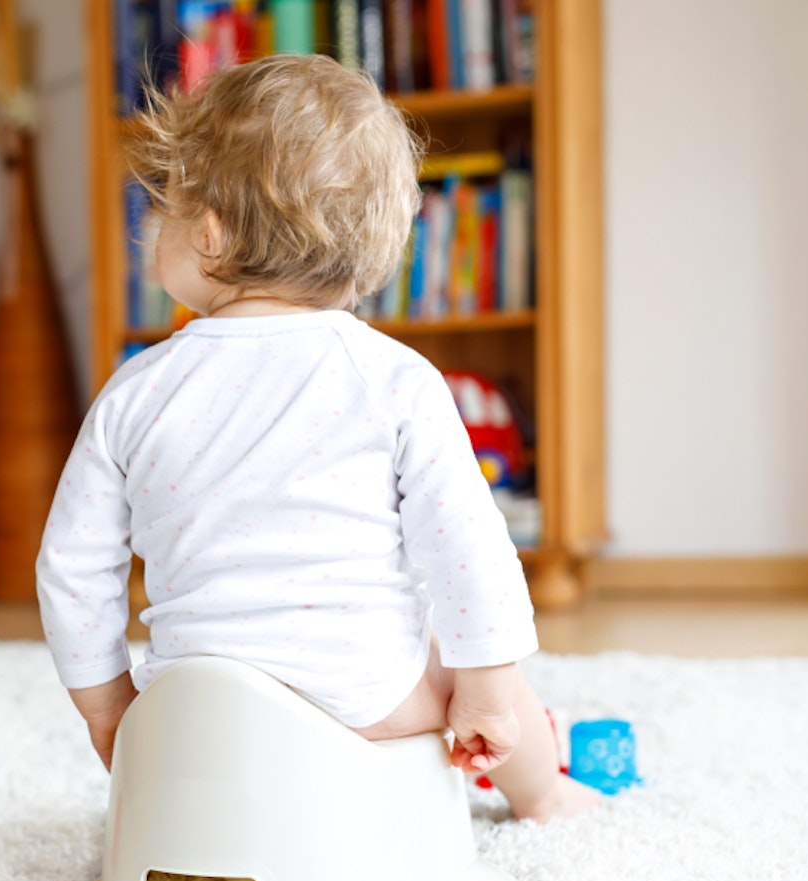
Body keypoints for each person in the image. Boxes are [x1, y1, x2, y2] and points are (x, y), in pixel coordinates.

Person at [36, 54, 598, 822]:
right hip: (366, 703)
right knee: (454, 652)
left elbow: (72, 569)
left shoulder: (135, 391)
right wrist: (490, 696)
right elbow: (468, 551)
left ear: (207, 234)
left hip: (193, 722)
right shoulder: (394, 379)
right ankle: (546, 798)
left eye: (158, 208)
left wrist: (109, 708)